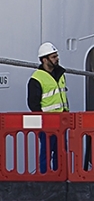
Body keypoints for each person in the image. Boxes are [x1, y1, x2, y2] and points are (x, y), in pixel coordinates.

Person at [27, 42, 68, 172]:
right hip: (47, 122)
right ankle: (46, 179)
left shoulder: (60, 74)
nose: (57, 59)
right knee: (46, 152)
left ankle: (59, 175)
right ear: (45, 60)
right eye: (53, 57)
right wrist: (42, 119)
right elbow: (33, 103)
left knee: (61, 152)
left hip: (62, 121)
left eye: (56, 56)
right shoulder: (37, 79)